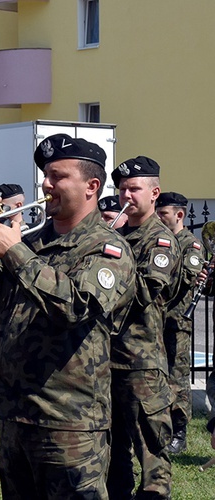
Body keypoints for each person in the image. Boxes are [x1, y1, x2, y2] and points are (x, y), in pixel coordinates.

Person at [0, 134, 135, 499]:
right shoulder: (34, 242)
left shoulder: (107, 247)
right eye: (45, 175)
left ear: (91, 186)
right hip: (16, 416)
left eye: (58, 176)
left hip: (68, 423)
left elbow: (77, 306)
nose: (46, 184)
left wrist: (15, 253)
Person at [107, 156, 181, 499]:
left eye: (134, 188)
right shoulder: (116, 234)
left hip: (140, 362)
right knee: (111, 450)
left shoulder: (160, 241)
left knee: (151, 450)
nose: (126, 196)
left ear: (155, 193)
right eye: (122, 189)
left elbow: (148, 289)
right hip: (105, 358)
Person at [156, 191, 204, 454]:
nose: (158, 218)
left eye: (163, 214)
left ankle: (180, 430)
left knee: (177, 376)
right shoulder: (158, 241)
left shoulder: (190, 245)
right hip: (155, 321)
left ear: (179, 215)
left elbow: (183, 279)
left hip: (177, 321)